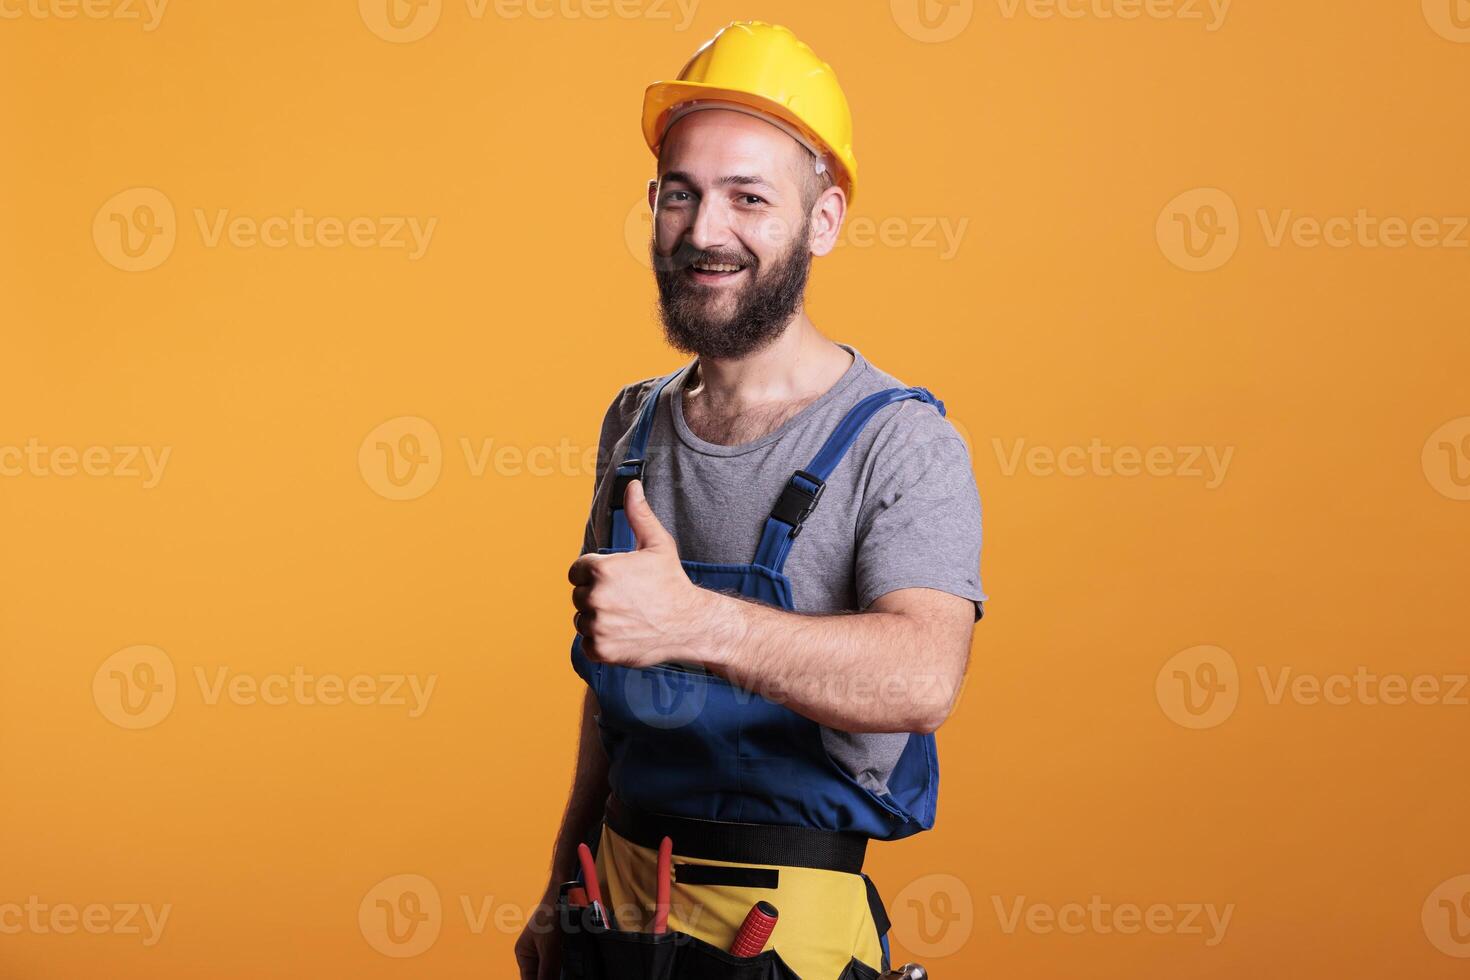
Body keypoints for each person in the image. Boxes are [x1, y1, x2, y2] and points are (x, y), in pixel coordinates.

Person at [516, 21, 986, 980]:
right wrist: (560, 886)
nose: (704, 231)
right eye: (681, 194)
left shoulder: (901, 442)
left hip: (778, 942)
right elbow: (612, 699)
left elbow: (922, 678)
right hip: (615, 912)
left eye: (749, 198)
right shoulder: (634, 425)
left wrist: (696, 621)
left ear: (823, 221)